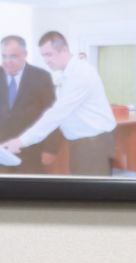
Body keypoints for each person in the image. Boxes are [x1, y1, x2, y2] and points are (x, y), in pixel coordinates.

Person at [1, 30, 116, 176]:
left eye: (49, 54)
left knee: (92, 189)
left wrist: (21, 141)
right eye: (43, 55)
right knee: (83, 187)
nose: (46, 60)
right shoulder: (66, 74)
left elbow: (56, 114)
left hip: (93, 144)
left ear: (64, 50)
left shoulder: (81, 74)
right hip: (82, 144)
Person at [0, 35, 55, 174]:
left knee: (29, 186)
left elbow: (52, 114)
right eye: (4, 56)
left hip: (31, 151)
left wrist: (50, 149)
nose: (7, 61)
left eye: (13, 56)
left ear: (25, 55)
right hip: (2, 152)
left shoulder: (41, 77)